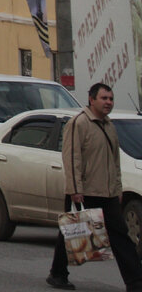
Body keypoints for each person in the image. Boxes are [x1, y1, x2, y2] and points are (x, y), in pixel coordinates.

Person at [47, 83, 142, 290]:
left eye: (110, 99)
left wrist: (117, 189)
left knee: (120, 235)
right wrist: (75, 189)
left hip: (107, 192)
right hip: (84, 191)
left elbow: (114, 161)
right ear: (92, 100)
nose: (108, 102)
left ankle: (135, 281)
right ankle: (57, 273)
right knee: (73, 231)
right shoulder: (79, 123)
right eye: (104, 98)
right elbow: (72, 157)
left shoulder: (108, 125)